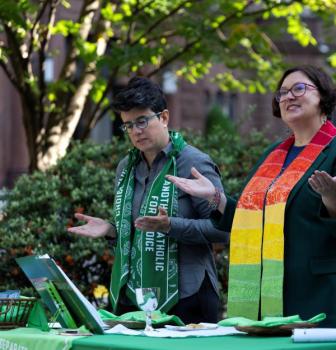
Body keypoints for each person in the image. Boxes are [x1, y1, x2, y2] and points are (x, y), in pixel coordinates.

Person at [167, 65, 336, 327]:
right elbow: (246, 220)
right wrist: (214, 197)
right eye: (283, 93)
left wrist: (332, 197)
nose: (288, 97)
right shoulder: (273, 155)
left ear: (323, 96)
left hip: (322, 295)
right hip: (270, 294)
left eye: (299, 88)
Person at [68, 77, 228, 324]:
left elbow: (223, 230)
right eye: (128, 125)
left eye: (142, 121)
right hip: (136, 297)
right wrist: (112, 231)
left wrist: (170, 226)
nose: (136, 131)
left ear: (164, 117)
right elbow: (140, 231)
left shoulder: (192, 163)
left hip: (188, 296)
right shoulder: (127, 167)